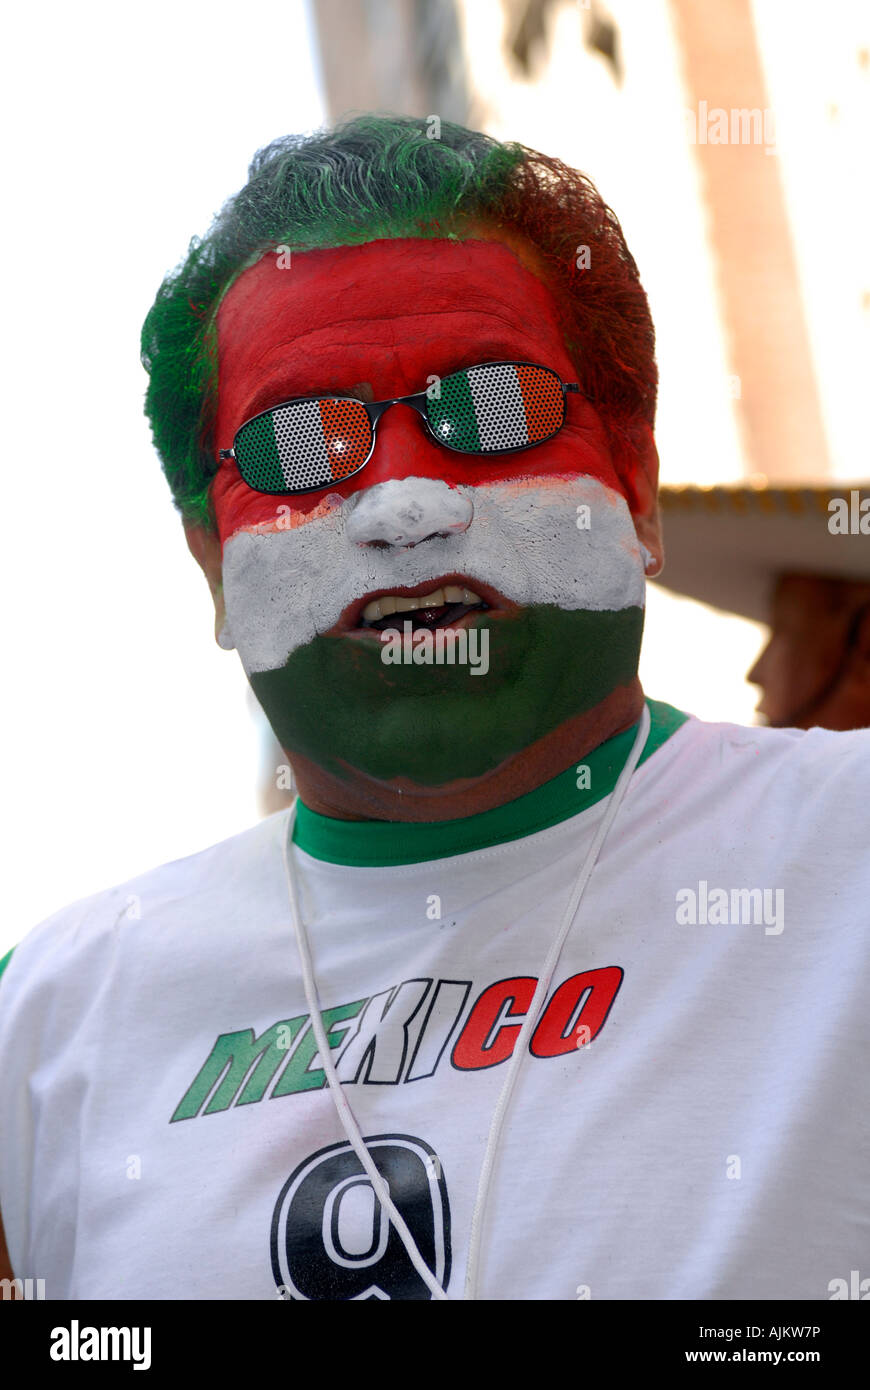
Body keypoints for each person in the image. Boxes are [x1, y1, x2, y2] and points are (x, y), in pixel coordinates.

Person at [0, 117, 867, 1302]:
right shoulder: (44, 1022)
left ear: (636, 487)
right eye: (300, 445)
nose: (405, 502)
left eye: (496, 409)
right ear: (213, 563)